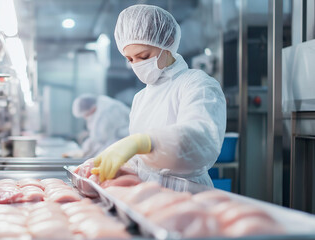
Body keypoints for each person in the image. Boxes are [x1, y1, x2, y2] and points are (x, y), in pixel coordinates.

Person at [90, 4, 227, 187]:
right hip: (148, 193)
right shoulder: (141, 98)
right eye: (130, 60)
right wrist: (116, 164)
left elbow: (201, 141)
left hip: (187, 194)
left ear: (168, 43)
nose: (137, 65)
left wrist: (146, 142)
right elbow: (143, 162)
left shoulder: (197, 84)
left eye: (144, 56)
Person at [63, 94, 130, 158]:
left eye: (86, 115)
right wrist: (85, 151)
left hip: (126, 143)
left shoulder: (108, 112)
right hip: (116, 143)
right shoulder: (98, 107)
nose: (86, 118)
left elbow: (106, 141)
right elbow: (95, 138)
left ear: (93, 109)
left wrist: (89, 155)